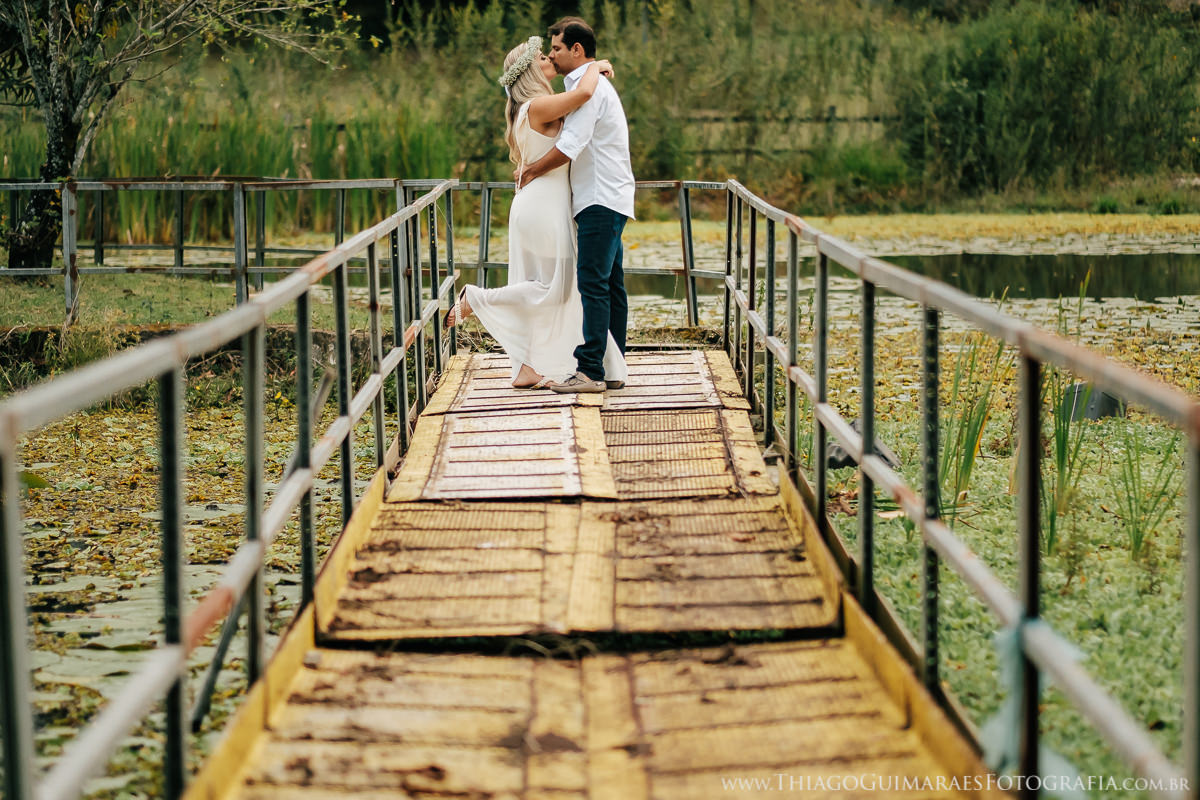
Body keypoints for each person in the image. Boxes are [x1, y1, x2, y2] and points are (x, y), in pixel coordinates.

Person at [443, 35, 627, 390]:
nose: (551, 59)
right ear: (530, 70)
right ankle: (475, 298)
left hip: (537, 202)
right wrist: (596, 66)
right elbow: (584, 94)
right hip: (544, 205)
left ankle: (525, 367)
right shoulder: (538, 106)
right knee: (554, 289)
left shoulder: (530, 108)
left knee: (538, 285)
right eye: (544, 57)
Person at [518, 17, 636, 394]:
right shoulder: (586, 83)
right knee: (610, 283)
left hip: (599, 197)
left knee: (593, 282)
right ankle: (613, 366)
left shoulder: (591, 88)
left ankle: (590, 371)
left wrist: (531, 170)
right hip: (607, 195)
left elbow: (570, 146)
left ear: (577, 50)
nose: (552, 55)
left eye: (556, 48)